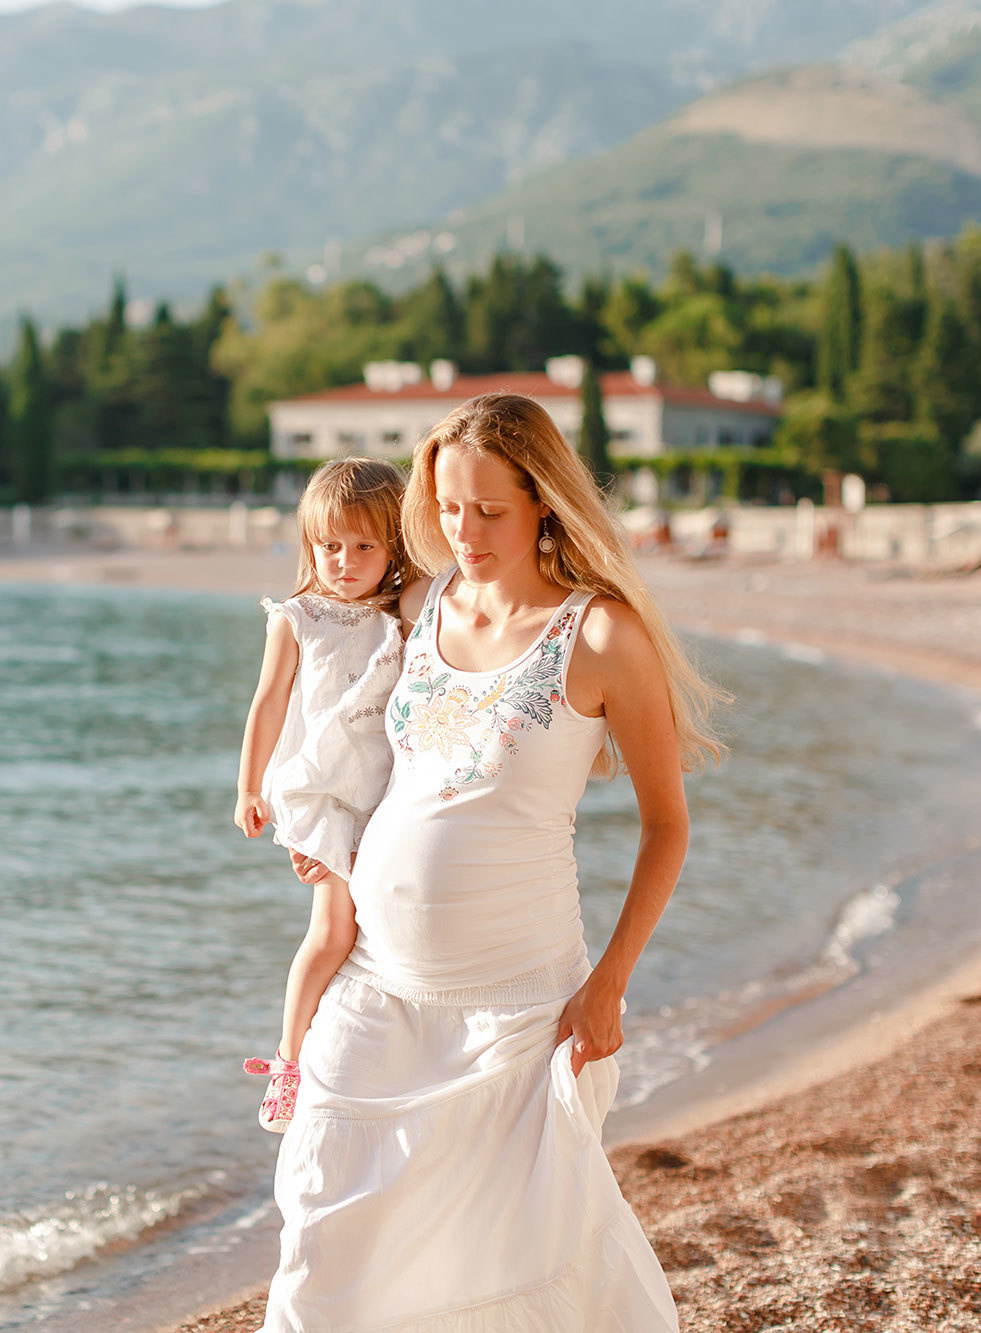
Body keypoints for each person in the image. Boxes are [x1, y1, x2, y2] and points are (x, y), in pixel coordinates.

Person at [261, 393, 726, 1330]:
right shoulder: (422, 601)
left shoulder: (598, 637)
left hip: (517, 1009)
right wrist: (323, 822)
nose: (461, 533)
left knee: (510, 1266)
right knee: (324, 1239)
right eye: (444, 509)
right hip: (375, 986)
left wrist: (608, 986)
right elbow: (319, 650)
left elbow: (666, 826)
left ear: (545, 501)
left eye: (488, 510)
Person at [234, 457, 416, 1133]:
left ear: (394, 546)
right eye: (329, 545)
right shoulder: (299, 617)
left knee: (377, 922)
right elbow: (267, 703)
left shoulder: (401, 612)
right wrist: (248, 786)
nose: (345, 560)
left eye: (365, 545)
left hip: (388, 793)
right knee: (335, 927)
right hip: (327, 792)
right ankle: (289, 1060)